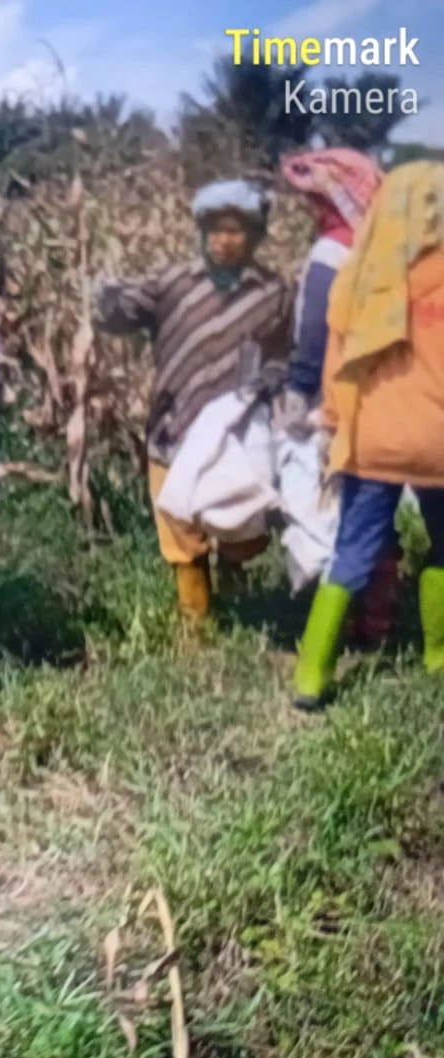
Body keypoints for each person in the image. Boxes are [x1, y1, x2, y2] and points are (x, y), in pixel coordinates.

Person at [93, 179, 294, 624]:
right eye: (215, 230)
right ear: (201, 232)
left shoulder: (273, 293)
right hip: (174, 426)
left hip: (237, 435)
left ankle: (243, 606)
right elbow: (118, 314)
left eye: (236, 230)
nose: (224, 241)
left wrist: (268, 388)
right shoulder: (173, 284)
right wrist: (106, 296)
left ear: (256, 236)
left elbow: (286, 354)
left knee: (239, 523)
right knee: (179, 528)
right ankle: (196, 623)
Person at [292, 161, 444, 711]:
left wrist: (333, 419)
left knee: (351, 552)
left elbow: (337, 367)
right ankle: (436, 656)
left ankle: (311, 676)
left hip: (375, 439)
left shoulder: (361, 277)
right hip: (438, 441)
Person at [279, 148, 395, 649]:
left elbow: (313, 336)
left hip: (338, 402)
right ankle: (382, 621)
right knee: (379, 514)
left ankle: (341, 632)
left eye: (313, 200)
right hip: (390, 401)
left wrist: (297, 391)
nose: (308, 210)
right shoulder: (395, 249)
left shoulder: (331, 254)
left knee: (343, 515)